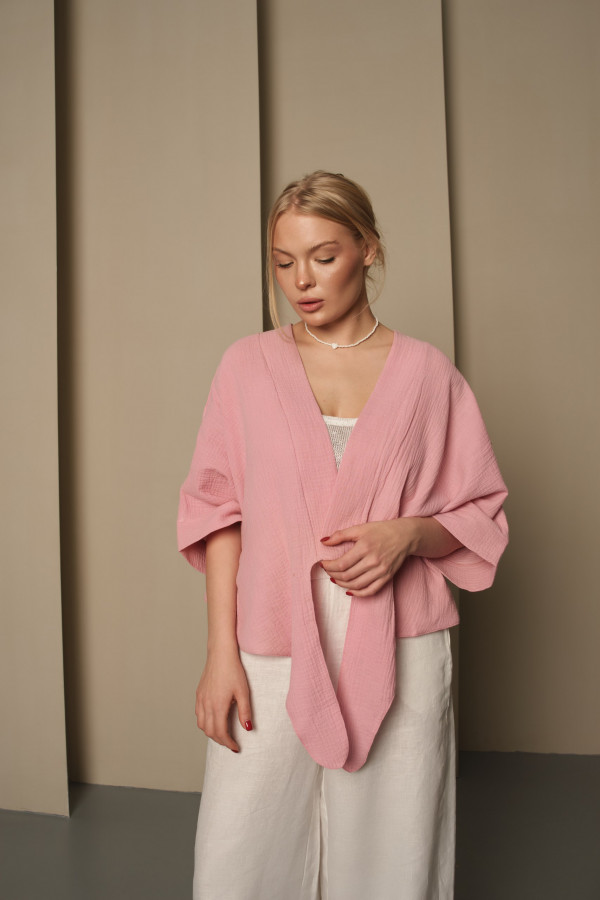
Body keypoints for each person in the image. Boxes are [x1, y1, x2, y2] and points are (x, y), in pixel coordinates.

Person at [177, 171, 508, 899]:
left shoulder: (428, 376)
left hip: (402, 643)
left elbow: (481, 510)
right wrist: (220, 653)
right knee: (243, 851)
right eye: (283, 261)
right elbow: (218, 511)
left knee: (395, 850)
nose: (301, 280)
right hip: (270, 638)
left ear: (368, 250)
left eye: (323, 257)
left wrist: (408, 536)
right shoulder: (246, 367)